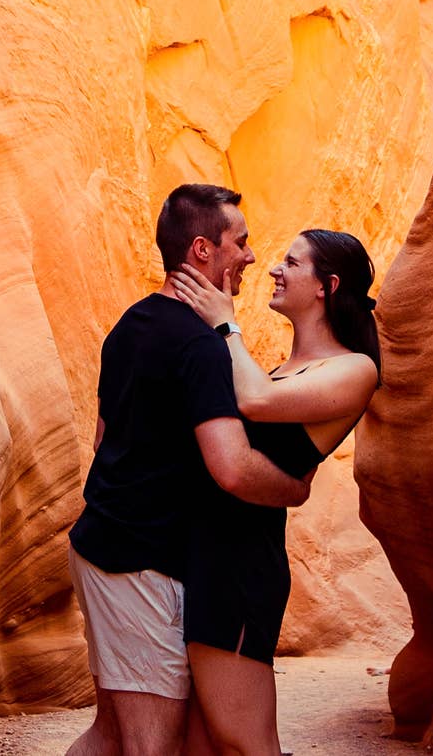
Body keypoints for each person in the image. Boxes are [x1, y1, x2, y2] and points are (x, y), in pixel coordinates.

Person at [67, 185, 316, 756]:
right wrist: (292, 489)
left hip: (107, 549)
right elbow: (230, 468)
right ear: (202, 251)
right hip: (137, 563)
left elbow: (105, 442)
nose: (252, 257)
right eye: (242, 243)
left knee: (114, 734)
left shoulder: (129, 325)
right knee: (151, 743)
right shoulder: (201, 346)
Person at [169, 229, 381, 756]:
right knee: (203, 744)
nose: (274, 269)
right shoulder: (282, 369)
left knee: (246, 744)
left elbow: (256, 403)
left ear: (326, 286)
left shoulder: (355, 369)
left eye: (292, 262)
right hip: (212, 555)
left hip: (241, 564)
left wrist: (223, 323)